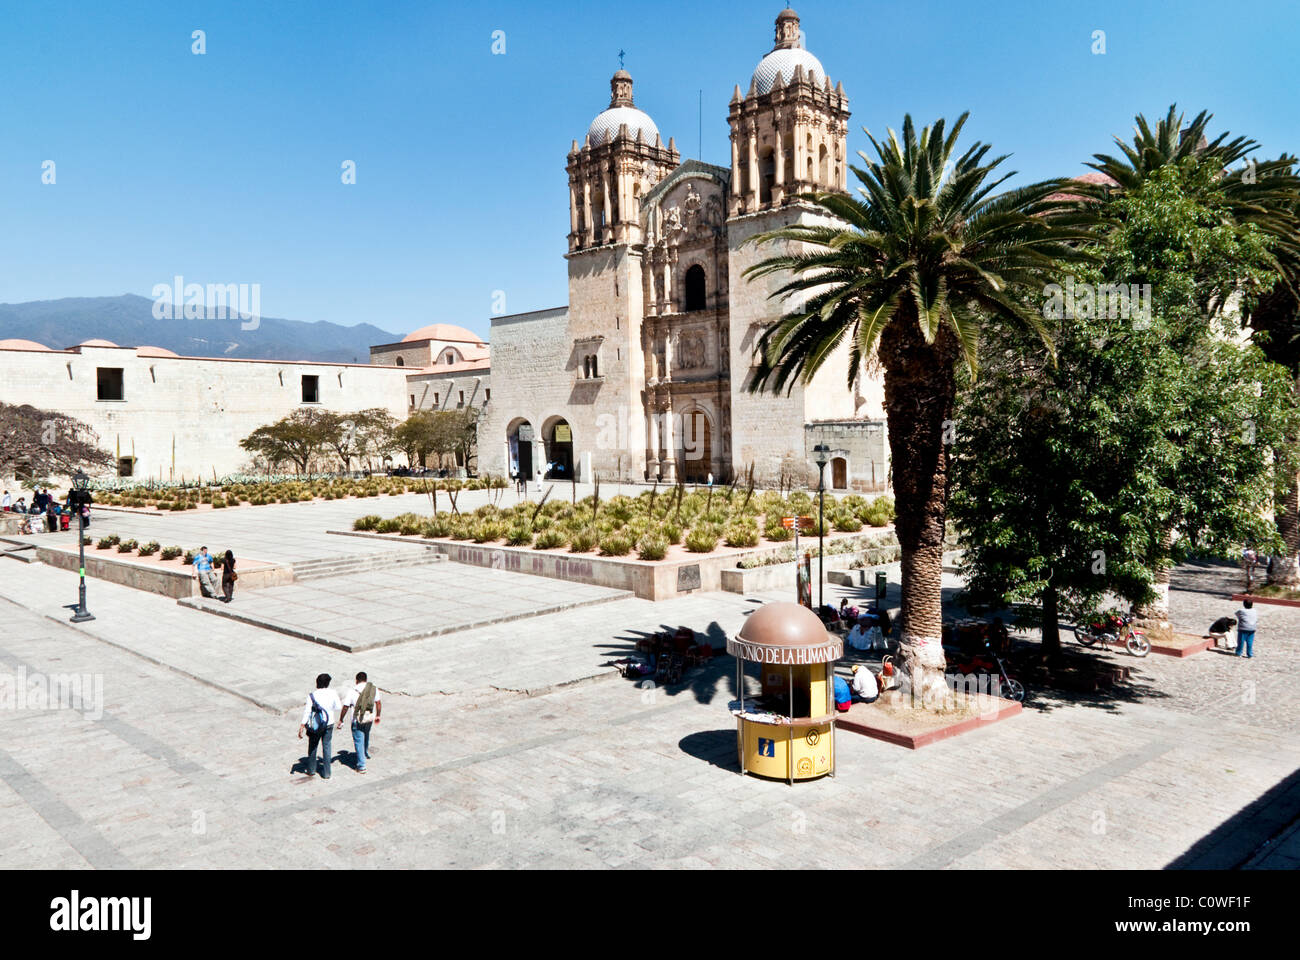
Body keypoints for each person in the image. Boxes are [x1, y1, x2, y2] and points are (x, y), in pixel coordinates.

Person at [298, 674, 342, 780]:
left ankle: (311, 769)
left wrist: (302, 725)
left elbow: (307, 711)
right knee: (327, 747)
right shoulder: (333, 693)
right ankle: (327, 773)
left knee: (313, 746)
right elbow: (338, 707)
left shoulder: (312, 695)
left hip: (316, 725)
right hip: (329, 723)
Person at [338, 671, 381, 774]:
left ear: (356, 680)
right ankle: (364, 753)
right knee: (366, 735)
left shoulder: (352, 691)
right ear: (366, 679)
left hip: (357, 719)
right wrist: (378, 715)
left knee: (358, 740)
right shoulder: (373, 688)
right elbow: (378, 703)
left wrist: (341, 719)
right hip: (369, 718)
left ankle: (361, 766)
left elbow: (345, 706)